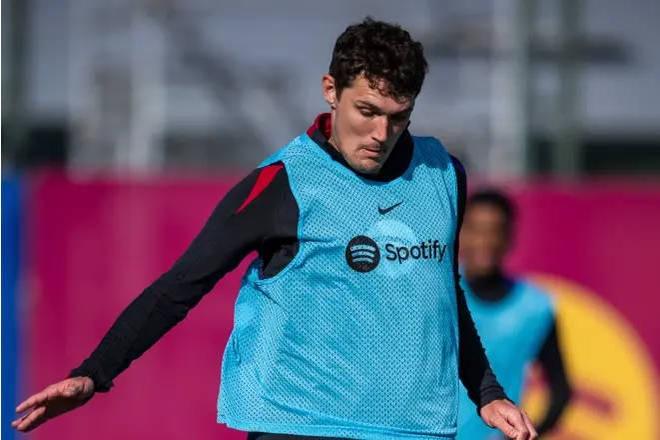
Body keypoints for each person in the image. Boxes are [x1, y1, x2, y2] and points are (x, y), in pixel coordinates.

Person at [13, 18, 537, 440]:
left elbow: (441, 293)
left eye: (399, 117)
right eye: (367, 111)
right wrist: (93, 373)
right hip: (300, 424)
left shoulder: (443, 174)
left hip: (418, 428)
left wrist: (486, 393)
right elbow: (182, 285)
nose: (381, 133)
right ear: (331, 90)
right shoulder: (283, 182)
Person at [456, 189, 572, 439]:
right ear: (459, 233)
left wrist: (523, 433)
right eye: (476, 229)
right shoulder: (440, 295)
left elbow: (561, 390)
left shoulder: (534, 307)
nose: (484, 240)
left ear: (509, 237)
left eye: (494, 231)